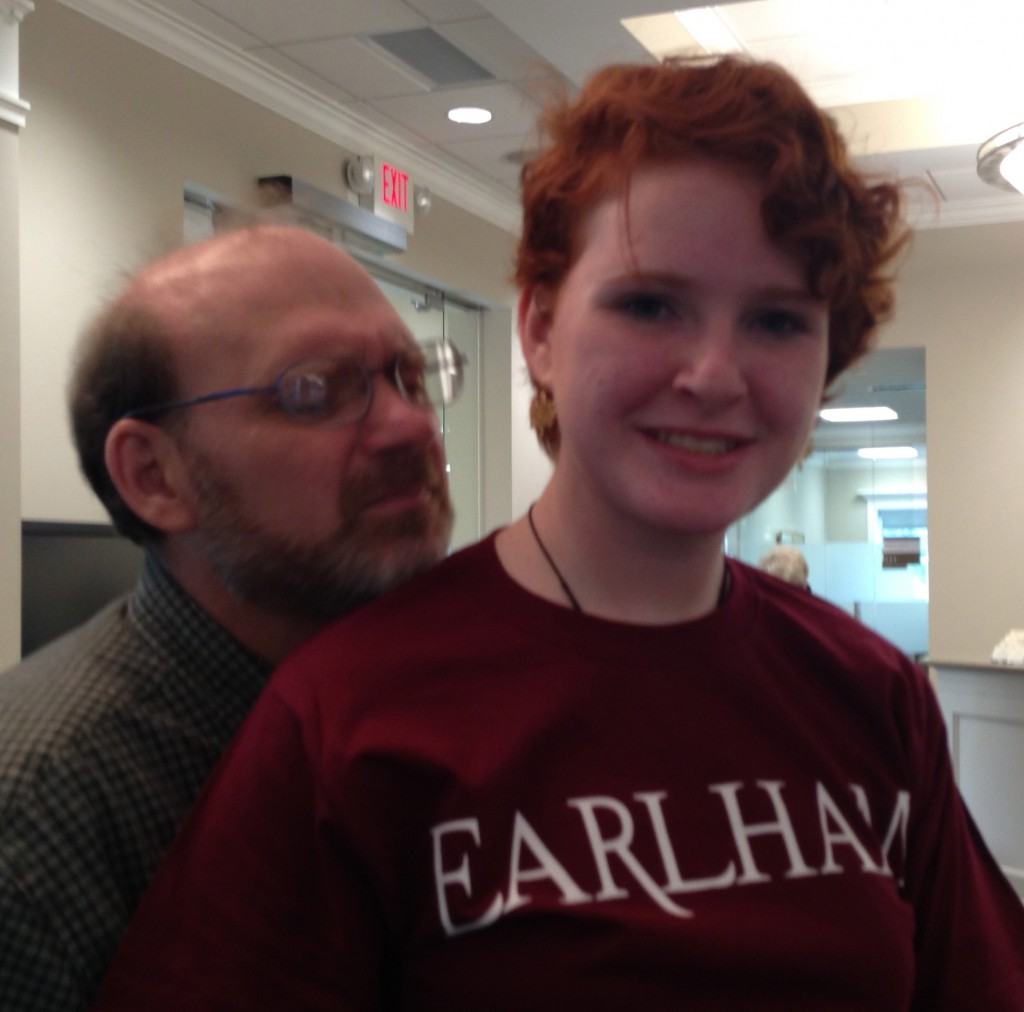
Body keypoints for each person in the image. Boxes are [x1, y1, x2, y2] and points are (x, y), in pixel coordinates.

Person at [92, 56, 1024, 1010]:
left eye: (779, 321)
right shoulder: (350, 716)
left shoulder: (870, 694)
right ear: (538, 328)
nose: (714, 373)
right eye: (650, 304)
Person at [0, 223, 459, 1011]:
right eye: (315, 389)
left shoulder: (451, 707)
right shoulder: (39, 817)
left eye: (410, 378)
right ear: (154, 476)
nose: (413, 426)